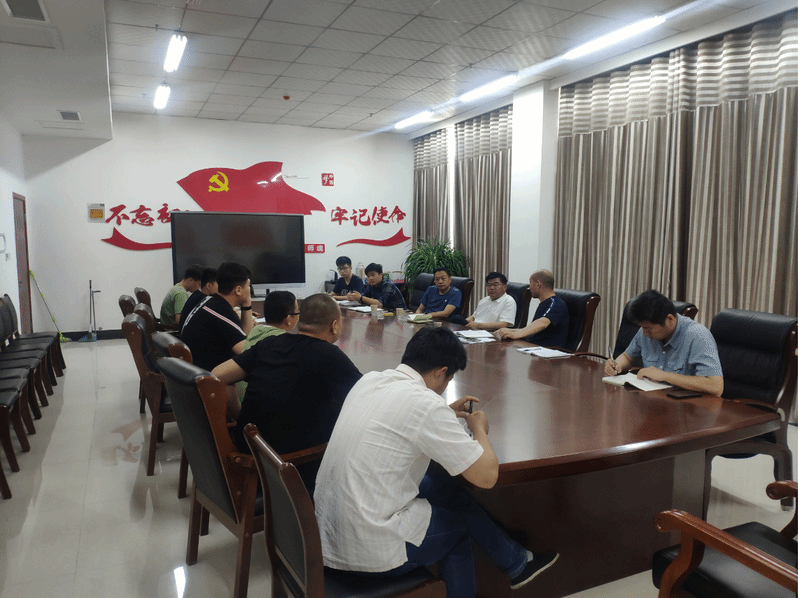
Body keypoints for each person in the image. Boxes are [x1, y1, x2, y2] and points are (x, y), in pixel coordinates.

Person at [314, 327, 558, 597]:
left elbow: (402, 418)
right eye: (449, 378)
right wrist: (478, 429)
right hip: (366, 549)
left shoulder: (370, 381)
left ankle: (516, 563)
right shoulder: (427, 404)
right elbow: (486, 476)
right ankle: (509, 566)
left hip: (326, 536)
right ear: (441, 372)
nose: (445, 387)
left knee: (440, 486)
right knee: (456, 531)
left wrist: (445, 412)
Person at [213, 293, 362, 492]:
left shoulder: (268, 344)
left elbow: (216, 376)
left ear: (299, 320)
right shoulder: (330, 355)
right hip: (286, 470)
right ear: (334, 325)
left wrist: (237, 414)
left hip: (248, 454)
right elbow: (366, 399)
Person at [604, 290, 724, 396]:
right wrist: (616, 365)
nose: (644, 333)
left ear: (670, 319)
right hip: (653, 400)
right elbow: (627, 357)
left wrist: (665, 376)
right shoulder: (645, 332)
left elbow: (716, 387)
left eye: (648, 328)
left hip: (687, 407)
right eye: (642, 327)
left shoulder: (698, 336)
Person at [180, 261, 254, 372]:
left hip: (194, 368)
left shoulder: (211, 301)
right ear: (238, 290)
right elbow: (246, 351)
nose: (250, 289)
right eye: (248, 285)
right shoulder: (220, 311)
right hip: (206, 374)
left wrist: (247, 305)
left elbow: (245, 336)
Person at [234, 290, 299, 401]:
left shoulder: (256, 331)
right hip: (257, 402)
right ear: (288, 319)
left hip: (242, 399)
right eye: (297, 312)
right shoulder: (282, 342)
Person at [496, 270, 568, 347]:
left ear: (538, 284)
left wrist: (516, 334)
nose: (529, 288)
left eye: (530, 284)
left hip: (545, 349)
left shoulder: (555, 304)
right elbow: (531, 330)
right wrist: (509, 331)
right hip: (532, 346)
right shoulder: (545, 303)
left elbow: (543, 323)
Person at [177, 266, 217, 336]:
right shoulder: (205, 301)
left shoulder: (196, 295)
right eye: (219, 284)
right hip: (190, 339)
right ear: (209, 286)